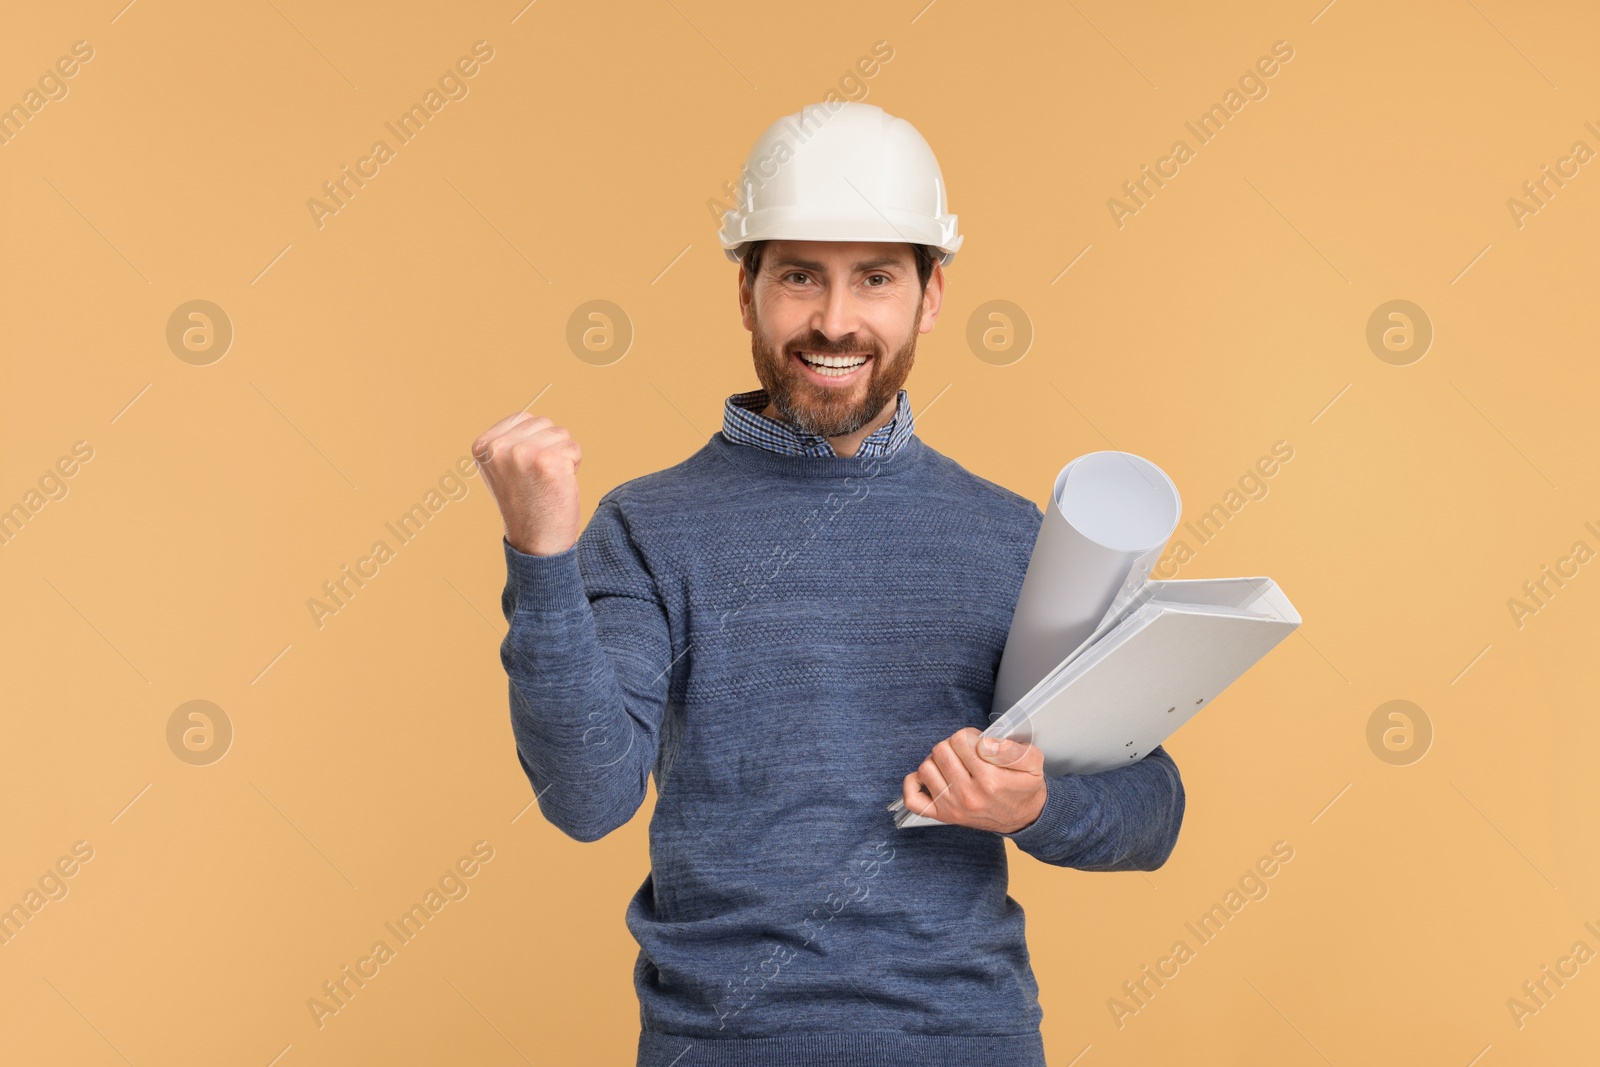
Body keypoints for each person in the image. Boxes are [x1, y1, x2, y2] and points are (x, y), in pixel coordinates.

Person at [471, 101, 1185, 1067]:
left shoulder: (1013, 536)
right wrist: (541, 559)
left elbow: (1152, 809)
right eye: (800, 275)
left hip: (964, 1041)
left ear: (931, 296)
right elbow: (586, 795)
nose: (835, 321)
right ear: (747, 291)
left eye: (876, 279)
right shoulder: (647, 528)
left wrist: (1036, 807)